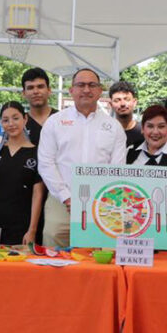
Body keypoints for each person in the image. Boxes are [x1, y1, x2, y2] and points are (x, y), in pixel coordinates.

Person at [36, 68, 127, 248]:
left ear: (100, 91)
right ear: (71, 90)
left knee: (96, 252)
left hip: (101, 203)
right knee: (54, 244)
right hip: (61, 199)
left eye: (92, 85)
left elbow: (117, 168)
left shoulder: (114, 127)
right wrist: (67, 198)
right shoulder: (54, 122)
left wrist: (99, 200)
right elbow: (46, 163)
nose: (86, 90)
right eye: (81, 85)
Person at [0, 101, 45, 245]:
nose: (11, 124)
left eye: (16, 118)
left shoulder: (37, 153)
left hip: (21, 224)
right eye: (5, 120)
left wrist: (32, 230)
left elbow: (37, 194)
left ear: (25, 119)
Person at [21, 67, 56, 145]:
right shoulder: (20, 124)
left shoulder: (61, 120)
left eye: (40, 86)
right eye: (30, 88)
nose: (36, 91)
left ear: (49, 90)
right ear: (24, 93)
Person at [109, 80, 142, 148]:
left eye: (127, 99)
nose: (122, 104)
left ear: (134, 102)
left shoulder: (144, 132)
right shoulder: (106, 133)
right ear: (111, 104)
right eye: (117, 100)